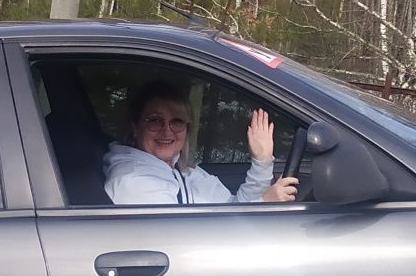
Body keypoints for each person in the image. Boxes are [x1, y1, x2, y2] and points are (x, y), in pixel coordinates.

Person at [102, 79, 300, 205]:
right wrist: (264, 204)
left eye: (177, 121)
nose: (167, 130)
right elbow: (185, 245)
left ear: (187, 128)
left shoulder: (185, 171)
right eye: (155, 120)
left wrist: (262, 162)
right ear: (136, 127)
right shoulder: (135, 182)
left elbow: (233, 207)